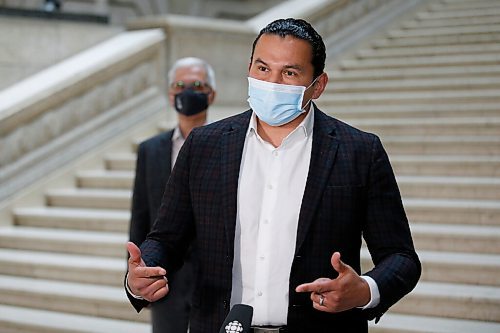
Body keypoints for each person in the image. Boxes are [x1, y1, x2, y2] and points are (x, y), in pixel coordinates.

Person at [125, 18, 421, 333]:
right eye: (263, 69)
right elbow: (166, 238)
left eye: (290, 73)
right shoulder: (204, 145)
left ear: (317, 85)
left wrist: (365, 290)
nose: (273, 82)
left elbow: (401, 257)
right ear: (249, 68)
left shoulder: (360, 152)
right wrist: (141, 274)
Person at [128, 57, 216, 332]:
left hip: (216, 283)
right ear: (170, 94)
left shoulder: (228, 145)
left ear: (211, 95)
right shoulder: (150, 150)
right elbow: (141, 216)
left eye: (197, 85)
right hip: (166, 280)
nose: (187, 91)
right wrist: (139, 275)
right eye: (180, 85)